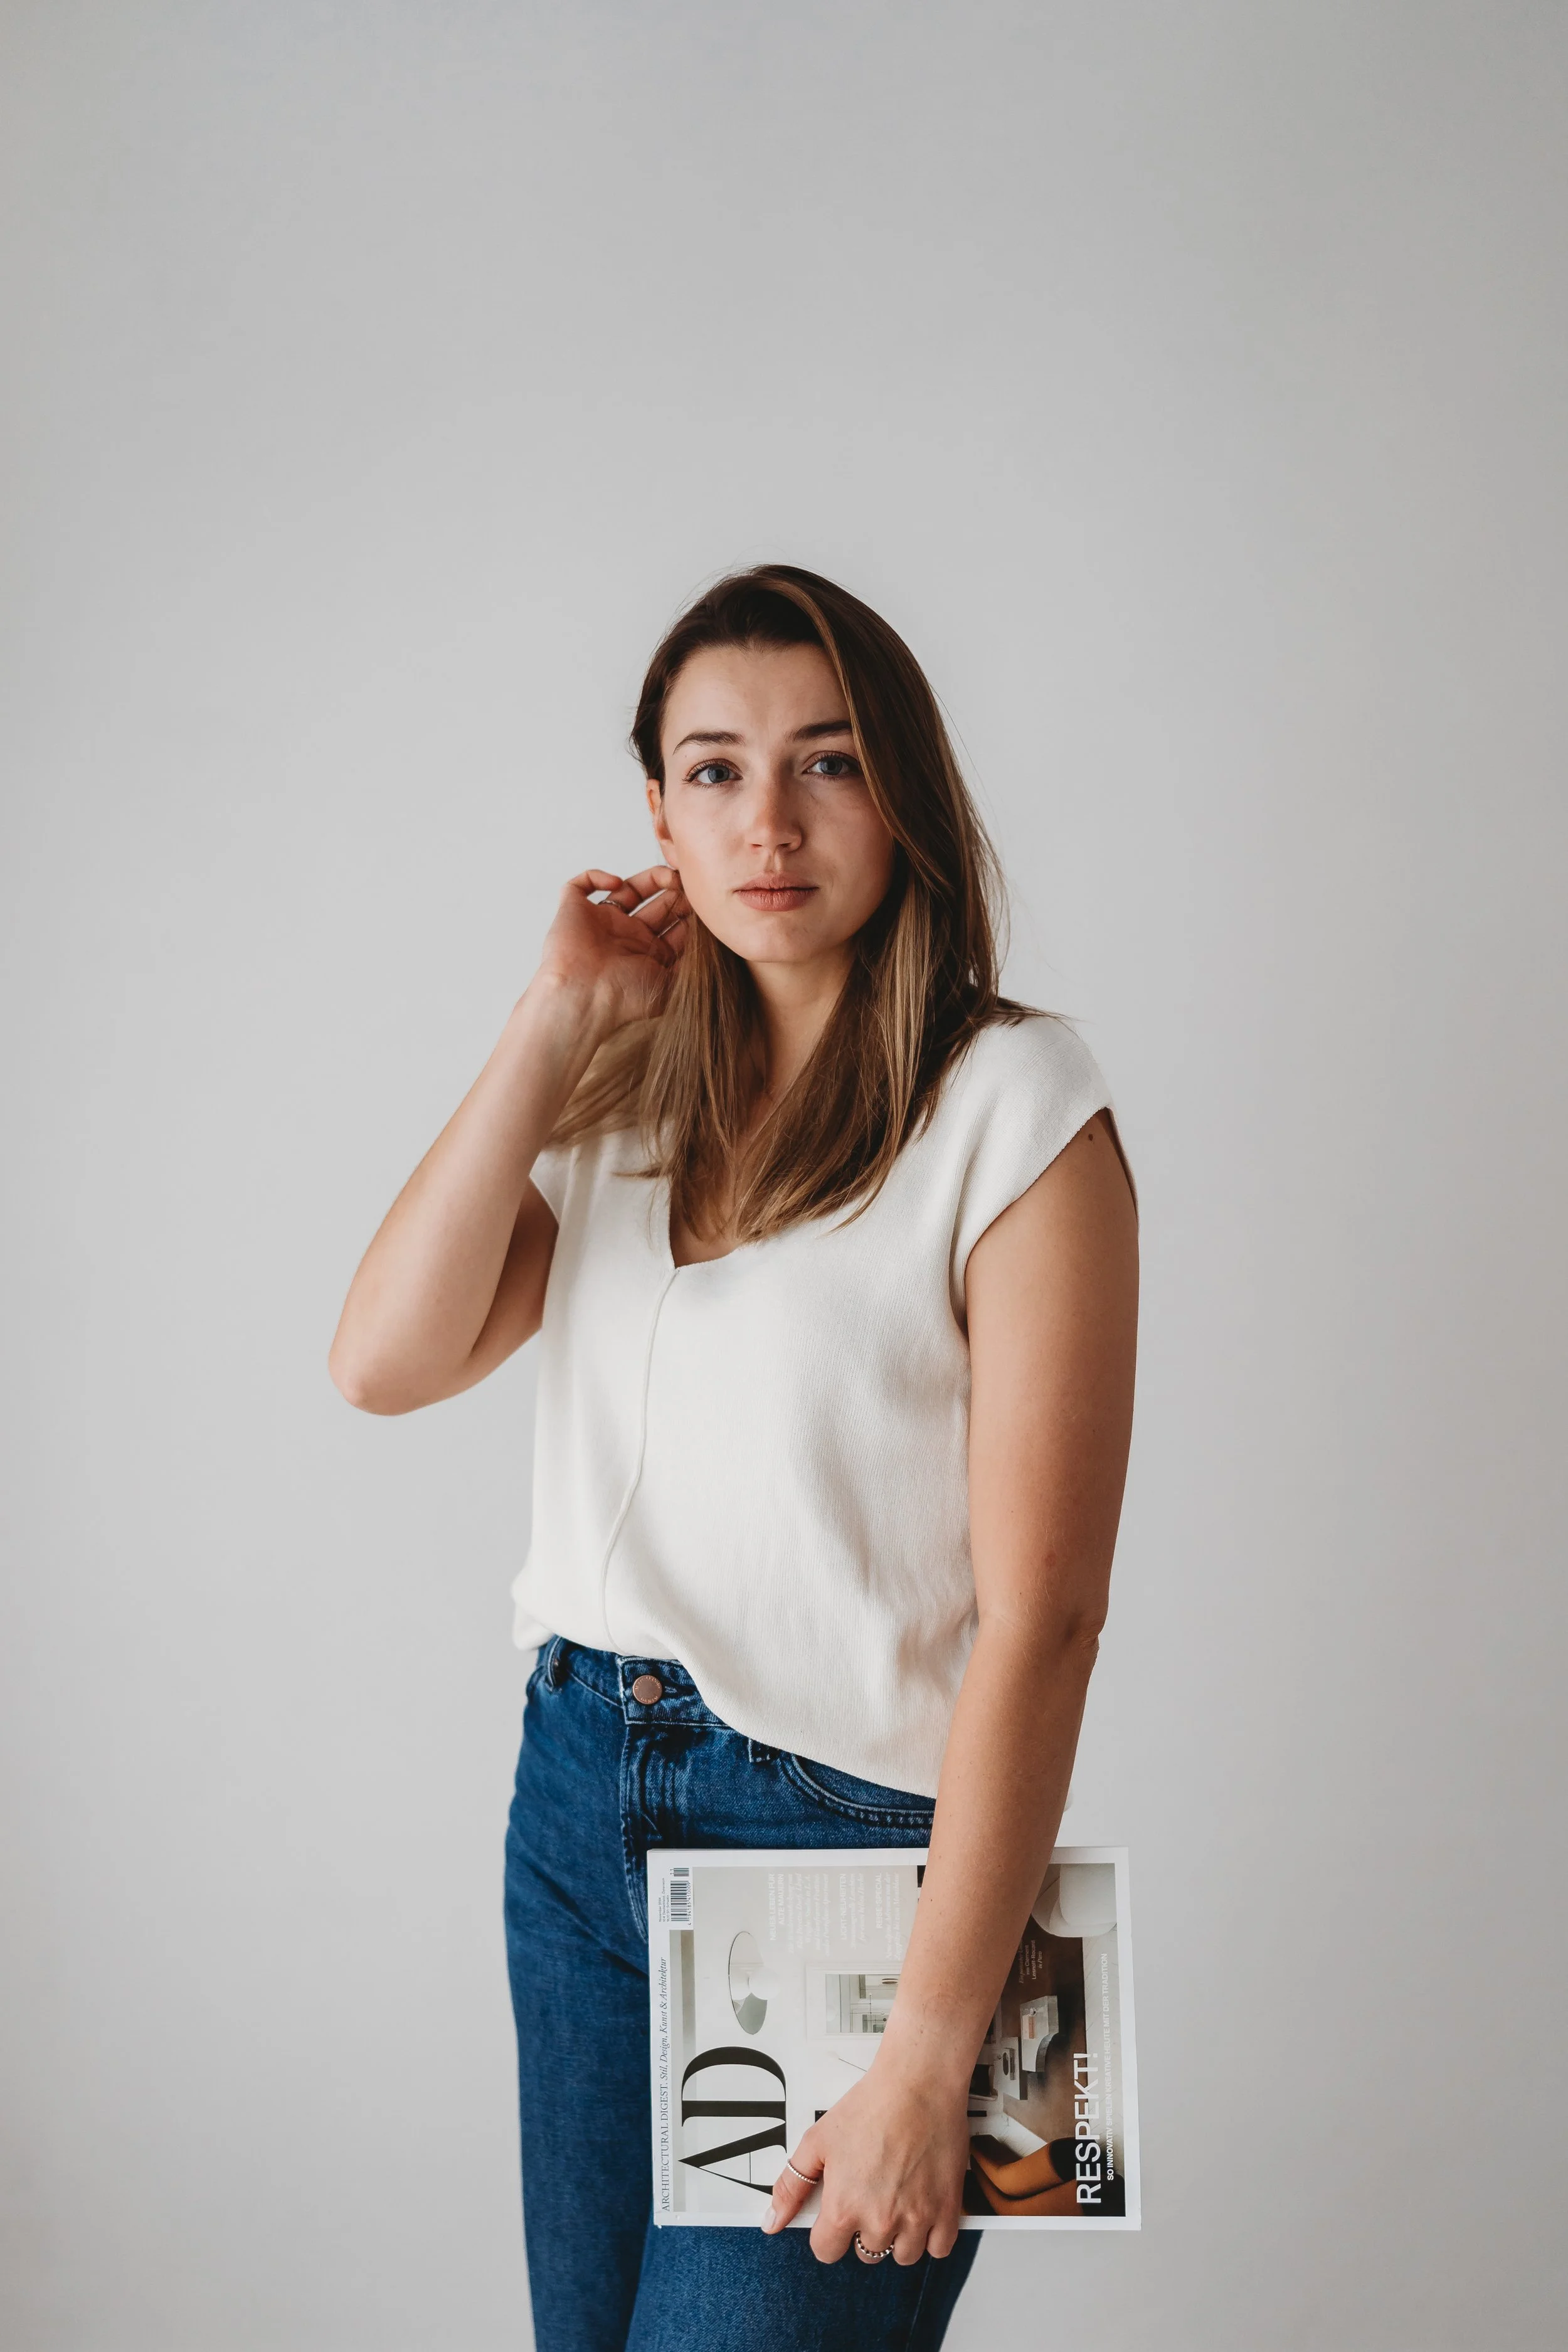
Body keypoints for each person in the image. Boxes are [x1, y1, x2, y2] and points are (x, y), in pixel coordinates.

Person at [329, 566, 1139, 2352]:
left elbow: (1046, 1617)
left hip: (856, 1857)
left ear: (903, 792)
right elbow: (380, 1360)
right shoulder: (629, 1099)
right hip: (573, 1804)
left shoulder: (1014, 1102)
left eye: (826, 762)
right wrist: (551, 1024)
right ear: (656, 814)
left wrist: (935, 2051)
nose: (765, 821)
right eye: (712, 770)